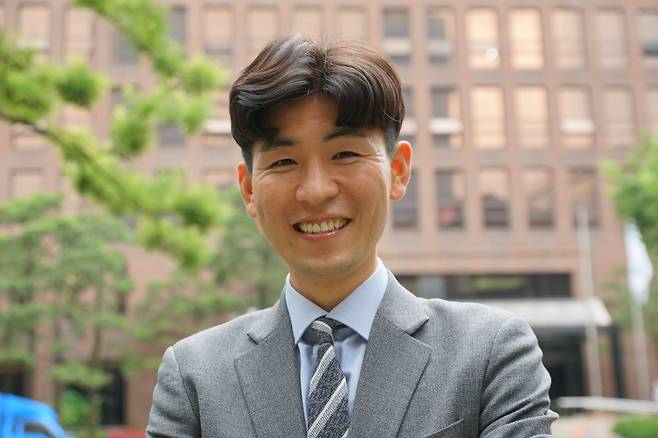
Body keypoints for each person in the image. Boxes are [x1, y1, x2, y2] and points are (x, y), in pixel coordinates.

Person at [147, 36, 558, 438]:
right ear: (249, 188)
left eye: (344, 154)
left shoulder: (490, 352)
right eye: (284, 161)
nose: (315, 191)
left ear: (398, 171)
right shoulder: (194, 376)